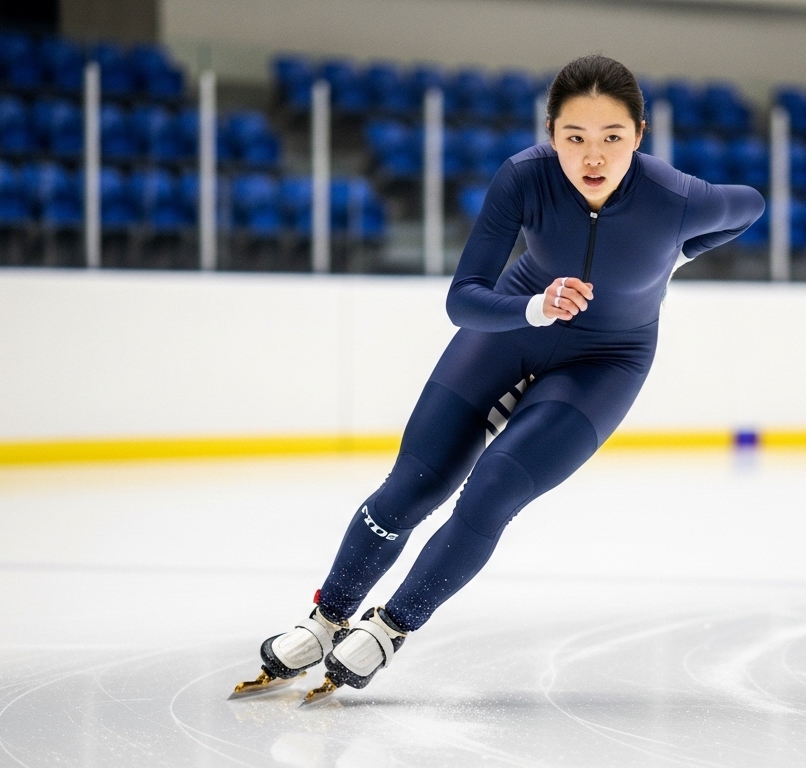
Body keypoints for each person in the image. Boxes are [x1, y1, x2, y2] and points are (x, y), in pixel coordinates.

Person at [231, 54, 764, 705]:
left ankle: (391, 628)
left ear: (640, 135)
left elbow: (751, 205)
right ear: (550, 133)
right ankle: (324, 620)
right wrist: (532, 308)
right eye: (574, 138)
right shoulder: (524, 177)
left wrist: (677, 255)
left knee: (490, 493)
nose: (592, 157)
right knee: (410, 488)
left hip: (608, 359)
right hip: (511, 326)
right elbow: (463, 298)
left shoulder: (677, 198)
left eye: (612, 138)